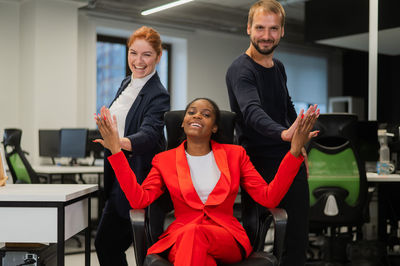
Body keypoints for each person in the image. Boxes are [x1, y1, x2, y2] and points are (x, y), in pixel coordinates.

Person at [95, 97, 318, 266]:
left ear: (214, 127)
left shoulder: (235, 154)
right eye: (191, 112)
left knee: (195, 236)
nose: (197, 116)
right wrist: (116, 150)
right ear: (182, 124)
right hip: (181, 237)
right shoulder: (164, 160)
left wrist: (295, 151)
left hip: (226, 237)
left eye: (206, 114)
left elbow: (269, 197)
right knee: (196, 246)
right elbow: (138, 199)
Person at [225, 1, 319, 265]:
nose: (266, 36)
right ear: (248, 28)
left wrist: (299, 146)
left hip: (288, 158)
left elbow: (286, 106)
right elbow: (251, 112)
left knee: (297, 238)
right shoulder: (240, 69)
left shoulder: (278, 67)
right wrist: (284, 134)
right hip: (258, 162)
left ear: (282, 31)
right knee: (254, 239)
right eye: (260, 28)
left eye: (273, 29)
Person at [94, 26, 170, 266]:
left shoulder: (158, 94)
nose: (138, 61)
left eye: (146, 54)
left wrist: (118, 142)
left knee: (140, 250)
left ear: (158, 57)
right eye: (133, 53)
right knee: (106, 244)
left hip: (140, 179)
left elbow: (148, 135)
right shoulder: (128, 82)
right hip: (119, 176)